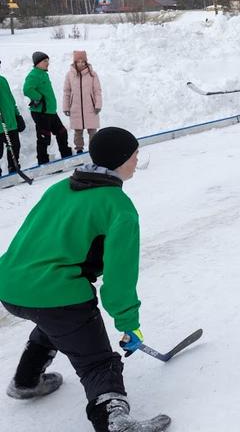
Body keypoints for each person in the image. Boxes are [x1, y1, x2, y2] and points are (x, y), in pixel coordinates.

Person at [0, 127, 172, 432]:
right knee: (96, 361)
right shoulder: (118, 207)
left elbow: (30, 239)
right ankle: (113, 420)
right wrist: (128, 323)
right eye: (134, 155)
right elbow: (120, 277)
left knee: (53, 320)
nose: (136, 160)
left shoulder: (60, 188)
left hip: (9, 284)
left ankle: (26, 381)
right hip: (55, 292)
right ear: (120, 160)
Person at [23, 52, 72, 165]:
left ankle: (66, 155)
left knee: (62, 132)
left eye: (48, 61)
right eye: (45, 61)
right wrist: (38, 97)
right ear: (37, 63)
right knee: (44, 137)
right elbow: (27, 89)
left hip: (49, 111)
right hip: (41, 112)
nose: (47, 63)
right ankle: (43, 161)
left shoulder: (43, 74)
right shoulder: (34, 75)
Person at [63, 50, 102, 155]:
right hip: (75, 108)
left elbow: (97, 91)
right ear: (74, 62)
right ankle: (79, 150)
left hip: (91, 108)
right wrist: (66, 107)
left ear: (86, 62)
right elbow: (67, 92)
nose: (81, 63)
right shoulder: (69, 75)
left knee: (92, 131)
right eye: (78, 61)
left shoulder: (92, 75)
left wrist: (98, 105)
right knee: (78, 132)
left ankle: (94, 150)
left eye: (83, 61)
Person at [0, 60, 24, 176]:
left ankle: (13, 167)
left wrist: (17, 115)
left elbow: (10, 99)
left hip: (10, 122)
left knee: (14, 147)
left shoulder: (3, 80)